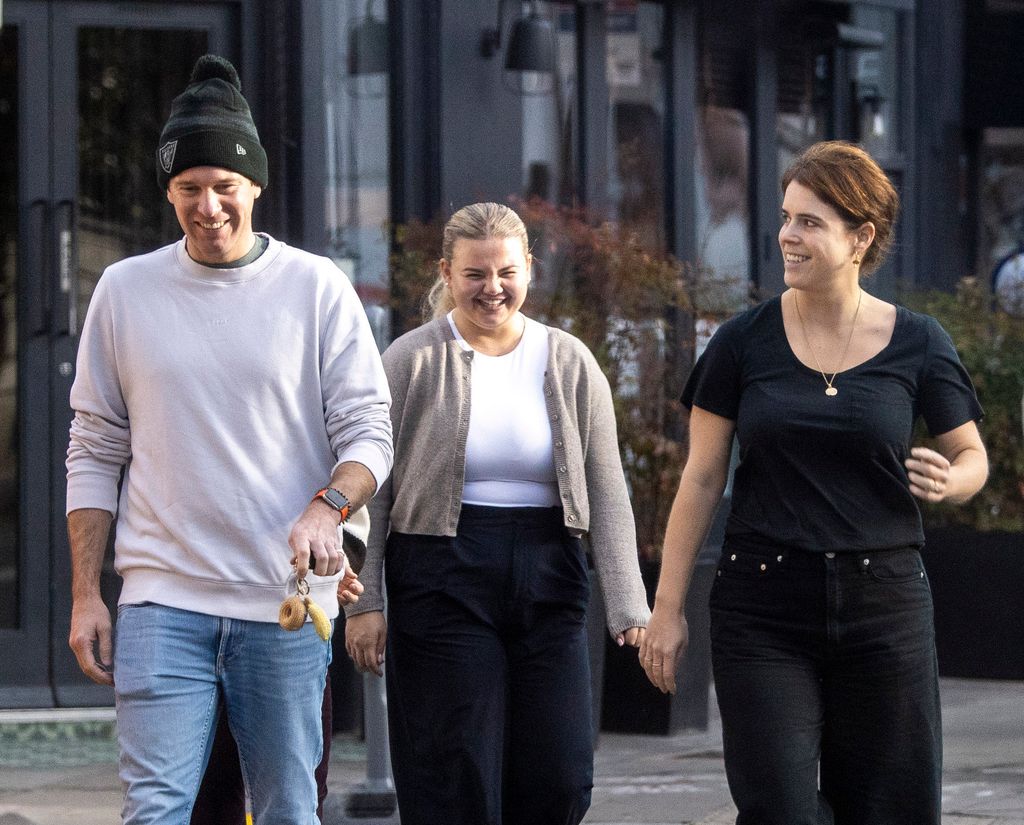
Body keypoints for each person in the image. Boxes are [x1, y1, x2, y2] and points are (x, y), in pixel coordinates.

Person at [66, 54, 393, 825]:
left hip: (283, 600)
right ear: (169, 192)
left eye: (223, 186)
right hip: (159, 602)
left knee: (287, 809)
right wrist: (87, 592)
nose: (208, 205)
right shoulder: (125, 291)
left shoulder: (315, 288)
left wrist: (327, 508)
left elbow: (370, 433)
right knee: (154, 811)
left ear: (255, 185)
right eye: (188, 188)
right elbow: (93, 447)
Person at [640, 140, 989, 825]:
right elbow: (703, 476)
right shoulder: (742, 343)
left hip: (883, 602)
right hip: (762, 603)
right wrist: (667, 607)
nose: (786, 236)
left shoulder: (920, 341)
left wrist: (954, 481)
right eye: (786, 217)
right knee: (780, 807)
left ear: (861, 237)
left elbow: (971, 453)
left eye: (809, 222)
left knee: (891, 805)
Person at [344, 202, 651, 825]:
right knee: (456, 769)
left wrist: (629, 605)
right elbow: (374, 487)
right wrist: (366, 602)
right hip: (440, 572)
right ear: (447, 273)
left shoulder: (567, 360)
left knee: (561, 773)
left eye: (506, 272)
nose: (492, 289)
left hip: (549, 569)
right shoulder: (411, 359)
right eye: (475, 274)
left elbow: (606, 486)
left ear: (530, 269)